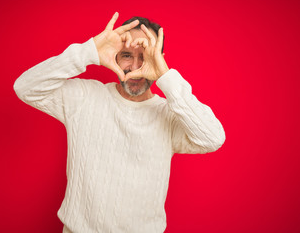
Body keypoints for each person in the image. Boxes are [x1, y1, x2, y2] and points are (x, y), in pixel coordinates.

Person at [14, 12, 225, 233]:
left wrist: (165, 75)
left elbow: (213, 138)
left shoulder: (169, 114)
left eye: (145, 56)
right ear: (114, 55)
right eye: (126, 55)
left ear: (159, 58)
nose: (135, 67)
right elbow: (25, 87)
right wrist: (89, 51)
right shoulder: (85, 97)